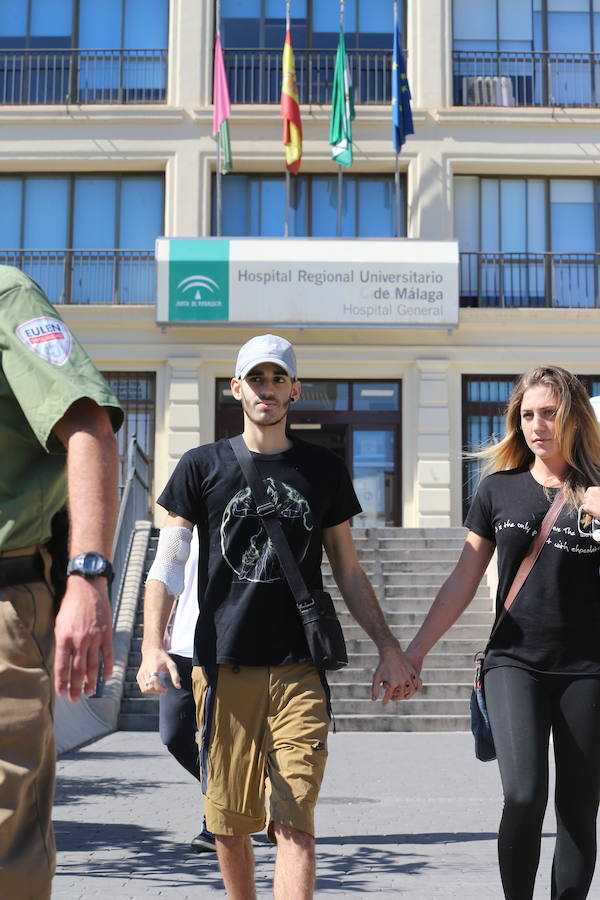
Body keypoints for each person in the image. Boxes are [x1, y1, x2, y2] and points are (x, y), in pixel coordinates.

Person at [137, 333, 420, 900]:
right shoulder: (201, 466)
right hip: (223, 666)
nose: (267, 390)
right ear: (236, 387)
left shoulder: (322, 469)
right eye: (256, 379)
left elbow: (348, 569)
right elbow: (167, 563)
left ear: (295, 389)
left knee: (295, 821)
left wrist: (389, 646)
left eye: (277, 380)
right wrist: (152, 644)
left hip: (299, 670)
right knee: (229, 823)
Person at [404, 365, 600, 900]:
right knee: (523, 793)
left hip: (588, 667)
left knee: (580, 807)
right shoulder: (498, 490)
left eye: (550, 414)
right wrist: (414, 652)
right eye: (528, 414)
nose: (538, 425)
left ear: (574, 417)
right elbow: (463, 579)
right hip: (512, 661)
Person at [0, 266, 123, 900]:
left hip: (5, 600)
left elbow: (89, 430)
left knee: (5, 844)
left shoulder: (6, 295)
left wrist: (88, 575)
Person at [159, 527, 216, 852]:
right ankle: (236, 795)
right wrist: (158, 632)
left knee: (213, 739)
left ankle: (216, 822)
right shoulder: (181, 528)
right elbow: (165, 577)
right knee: (174, 735)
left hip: (221, 648)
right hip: (180, 646)